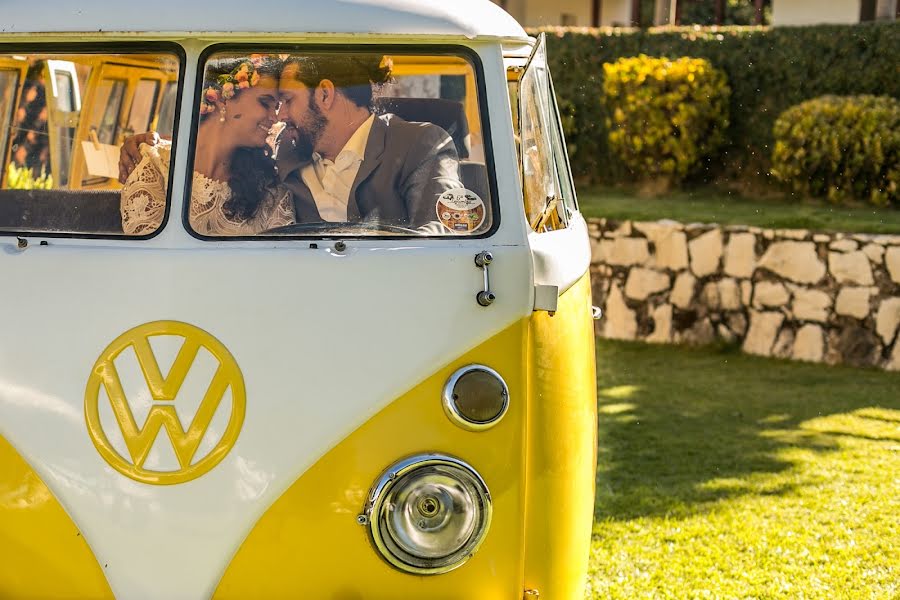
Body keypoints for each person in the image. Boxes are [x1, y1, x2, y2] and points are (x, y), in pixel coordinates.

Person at [272, 54, 464, 230]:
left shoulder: (421, 145)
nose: (280, 115)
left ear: (324, 94)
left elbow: (444, 231)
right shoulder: (286, 147)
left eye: (288, 100)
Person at [119, 56, 295, 235]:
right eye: (265, 103)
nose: (275, 118)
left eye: (277, 108)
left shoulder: (269, 187)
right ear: (223, 99)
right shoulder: (156, 166)